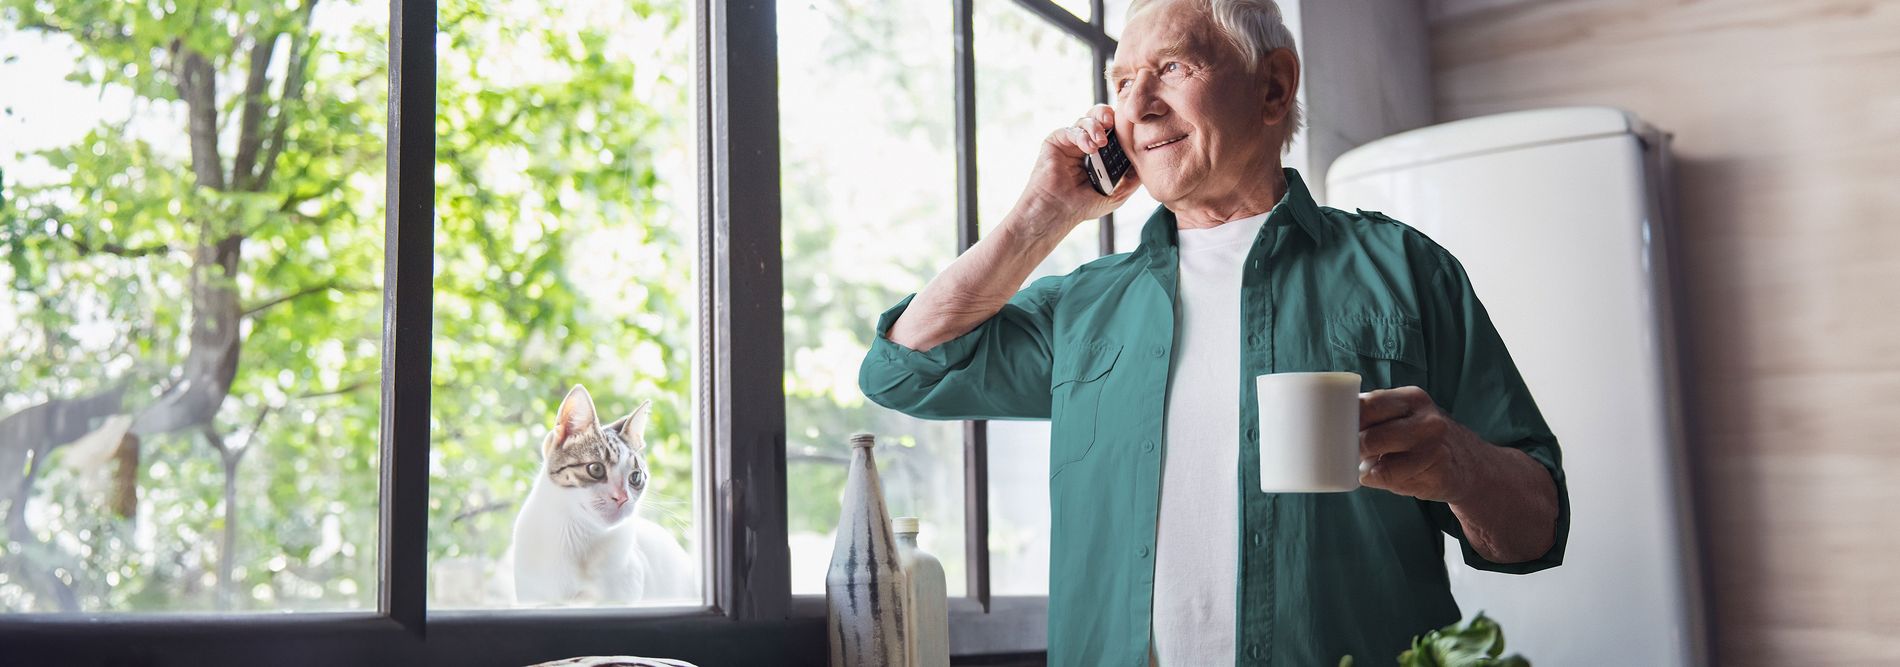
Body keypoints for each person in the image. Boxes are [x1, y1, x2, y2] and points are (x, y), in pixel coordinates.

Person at [856, 0, 1568, 664]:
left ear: (1273, 86)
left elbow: (1535, 532)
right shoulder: (1083, 305)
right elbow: (902, 370)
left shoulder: (1407, 270)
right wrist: (1041, 213)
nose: (1136, 104)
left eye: (1172, 67)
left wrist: (1459, 466)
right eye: (1123, 79)